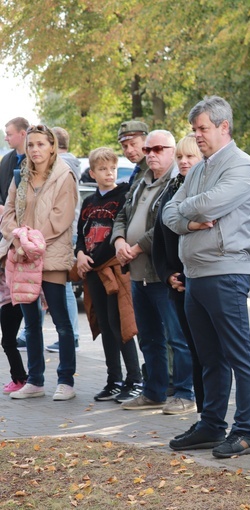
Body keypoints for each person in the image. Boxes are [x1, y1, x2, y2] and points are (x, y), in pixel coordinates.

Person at [163, 96, 250, 459]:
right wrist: (190, 218)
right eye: (194, 130)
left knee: (239, 356)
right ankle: (211, 425)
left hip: (225, 271)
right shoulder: (202, 167)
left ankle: (246, 432)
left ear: (224, 127)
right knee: (209, 358)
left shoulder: (242, 166)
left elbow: (204, 205)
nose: (197, 136)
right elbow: (168, 213)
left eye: (203, 128)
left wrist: (189, 208)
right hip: (195, 274)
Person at [111, 129, 195, 415]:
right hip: (137, 274)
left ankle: (184, 392)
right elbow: (122, 215)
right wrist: (120, 240)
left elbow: (164, 224)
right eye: (148, 150)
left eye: (159, 149)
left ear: (172, 151)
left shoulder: (177, 183)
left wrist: (136, 247)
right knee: (148, 337)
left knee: (177, 337)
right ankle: (154, 392)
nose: (151, 154)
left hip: (161, 273)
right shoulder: (140, 181)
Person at [1, 124, 78, 401]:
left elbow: (61, 217)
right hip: (22, 257)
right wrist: (18, 240)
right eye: (31, 145)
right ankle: (34, 380)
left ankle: (66, 381)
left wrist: (31, 242)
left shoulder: (64, 176)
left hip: (52, 257)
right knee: (31, 322)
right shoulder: (20, 176)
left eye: (41, 145)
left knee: (62, 322)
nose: (35, 150)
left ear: (52, 147)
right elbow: (9, 211)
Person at [75, 147, 142, 402]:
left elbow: (118, 231)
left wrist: (91, 260)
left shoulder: (123, 195)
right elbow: (82, 234)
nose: (109, 173)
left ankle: (134, 379)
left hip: (113, 269)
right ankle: (113, 379)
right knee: (104, 325)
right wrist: (80, 255)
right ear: (92, 173)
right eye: (102, 169)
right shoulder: (89, 202)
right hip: (92, 270)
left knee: (120, 324)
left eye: (112, 168)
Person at [152, 134, 207, 435]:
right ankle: (203, 414)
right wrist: (167, 275)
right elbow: (160, 238)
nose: (185, 162)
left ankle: (209, 413)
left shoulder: (204, 191)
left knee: (205, 353)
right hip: (175, 283)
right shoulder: (171, 190)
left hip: (199, 280)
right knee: (193, 350)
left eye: (191, 157)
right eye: (181, 158)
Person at [0, 117, 28, 392]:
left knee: (13, 334)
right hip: (9, 252)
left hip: (25, 261)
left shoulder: (30, 164)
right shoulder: (8, 162)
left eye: (9, 134)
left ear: (23, 134)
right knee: (8, 336)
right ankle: (22, 377)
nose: (6, 138)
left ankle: (27, 378)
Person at [47, 126, 80, 354]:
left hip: (64, 232)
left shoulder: (63, 168)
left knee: (64, 285)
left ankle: (73, 336)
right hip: (68, 230)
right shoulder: (71, 165)